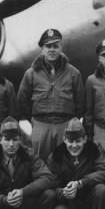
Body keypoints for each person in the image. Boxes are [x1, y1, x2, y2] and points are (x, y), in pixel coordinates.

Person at [17, 29, 85, 161]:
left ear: (61, 47)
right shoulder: (31, 74)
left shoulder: (73, 73)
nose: (52, 50)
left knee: (65, 163)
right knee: (40, 164)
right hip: (41, 126)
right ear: (42, 48)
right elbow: (22, 100)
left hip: (65, 125)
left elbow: (80, 101)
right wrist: (32, 124)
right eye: (48, 46)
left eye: (55, 46)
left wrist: (72, 124)